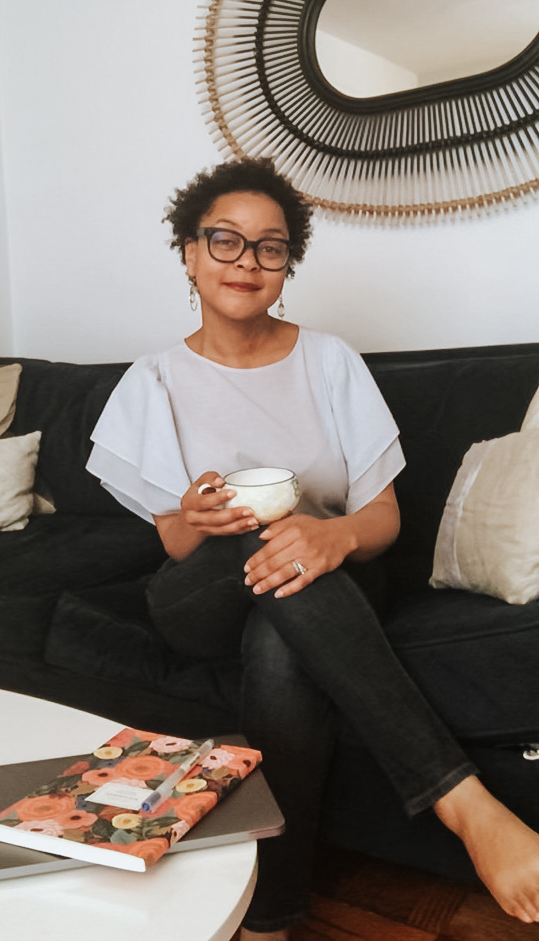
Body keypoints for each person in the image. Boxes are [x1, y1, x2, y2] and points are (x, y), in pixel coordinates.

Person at [87, 158, 539, 938]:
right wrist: (196, 515)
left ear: (287, 266)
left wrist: (334, 532)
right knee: (262, 551)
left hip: (327, 582)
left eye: (269, 247)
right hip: (201, 590)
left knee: (281, 641)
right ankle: (464, 802)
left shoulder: (330, 362)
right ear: (189, 253)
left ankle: (269, 917)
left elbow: (384, 518)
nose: (246, 262)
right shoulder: (152, 381)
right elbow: (170, 536)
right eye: (225, 241)